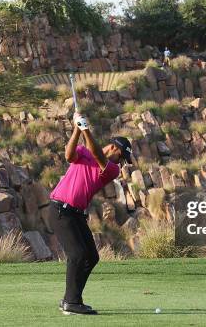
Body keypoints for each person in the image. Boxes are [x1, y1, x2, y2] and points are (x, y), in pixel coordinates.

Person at [47, 112, 133, 315]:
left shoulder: (111, 169)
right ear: (114, 148)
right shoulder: (83, 153)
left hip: (76, 214)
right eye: (122, 157)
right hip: (61, 209)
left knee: (91, 257)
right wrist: (77, 128)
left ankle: (72, 299)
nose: (121, 163)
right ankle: (71, 301)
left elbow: (98, 155)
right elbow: (69, 155)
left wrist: (85, 128)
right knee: (77, 254)